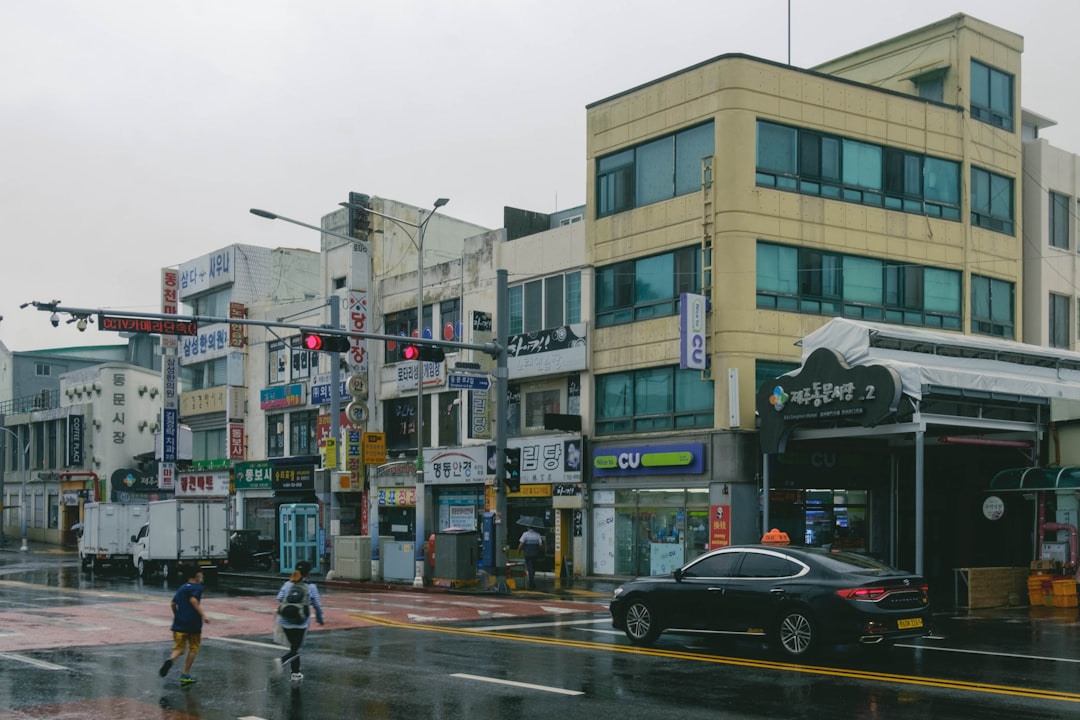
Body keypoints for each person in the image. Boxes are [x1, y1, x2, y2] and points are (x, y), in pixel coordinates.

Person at [273, 560, 324, 685]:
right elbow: (317, 604)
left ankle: (295, 673)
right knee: (297, 649)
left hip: (285, 621)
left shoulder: (287, 584)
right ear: (308, 573)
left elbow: (279, 598)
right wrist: (319, 617)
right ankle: (281, 661)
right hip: (301, 622)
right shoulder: (311, 587)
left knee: (294, 648)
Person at [159, 567, 210, 687]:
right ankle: (185, 674)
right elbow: (193, 601)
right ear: (196, 575)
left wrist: (177, 615)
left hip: (179, 624)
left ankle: (170, 660)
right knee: (193, 648)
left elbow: (173, 604)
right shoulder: (197, 588)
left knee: (179, 649)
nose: (201, 575)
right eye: (200, 573)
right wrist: (203, 615)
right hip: (193, 624)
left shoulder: (182, 588)